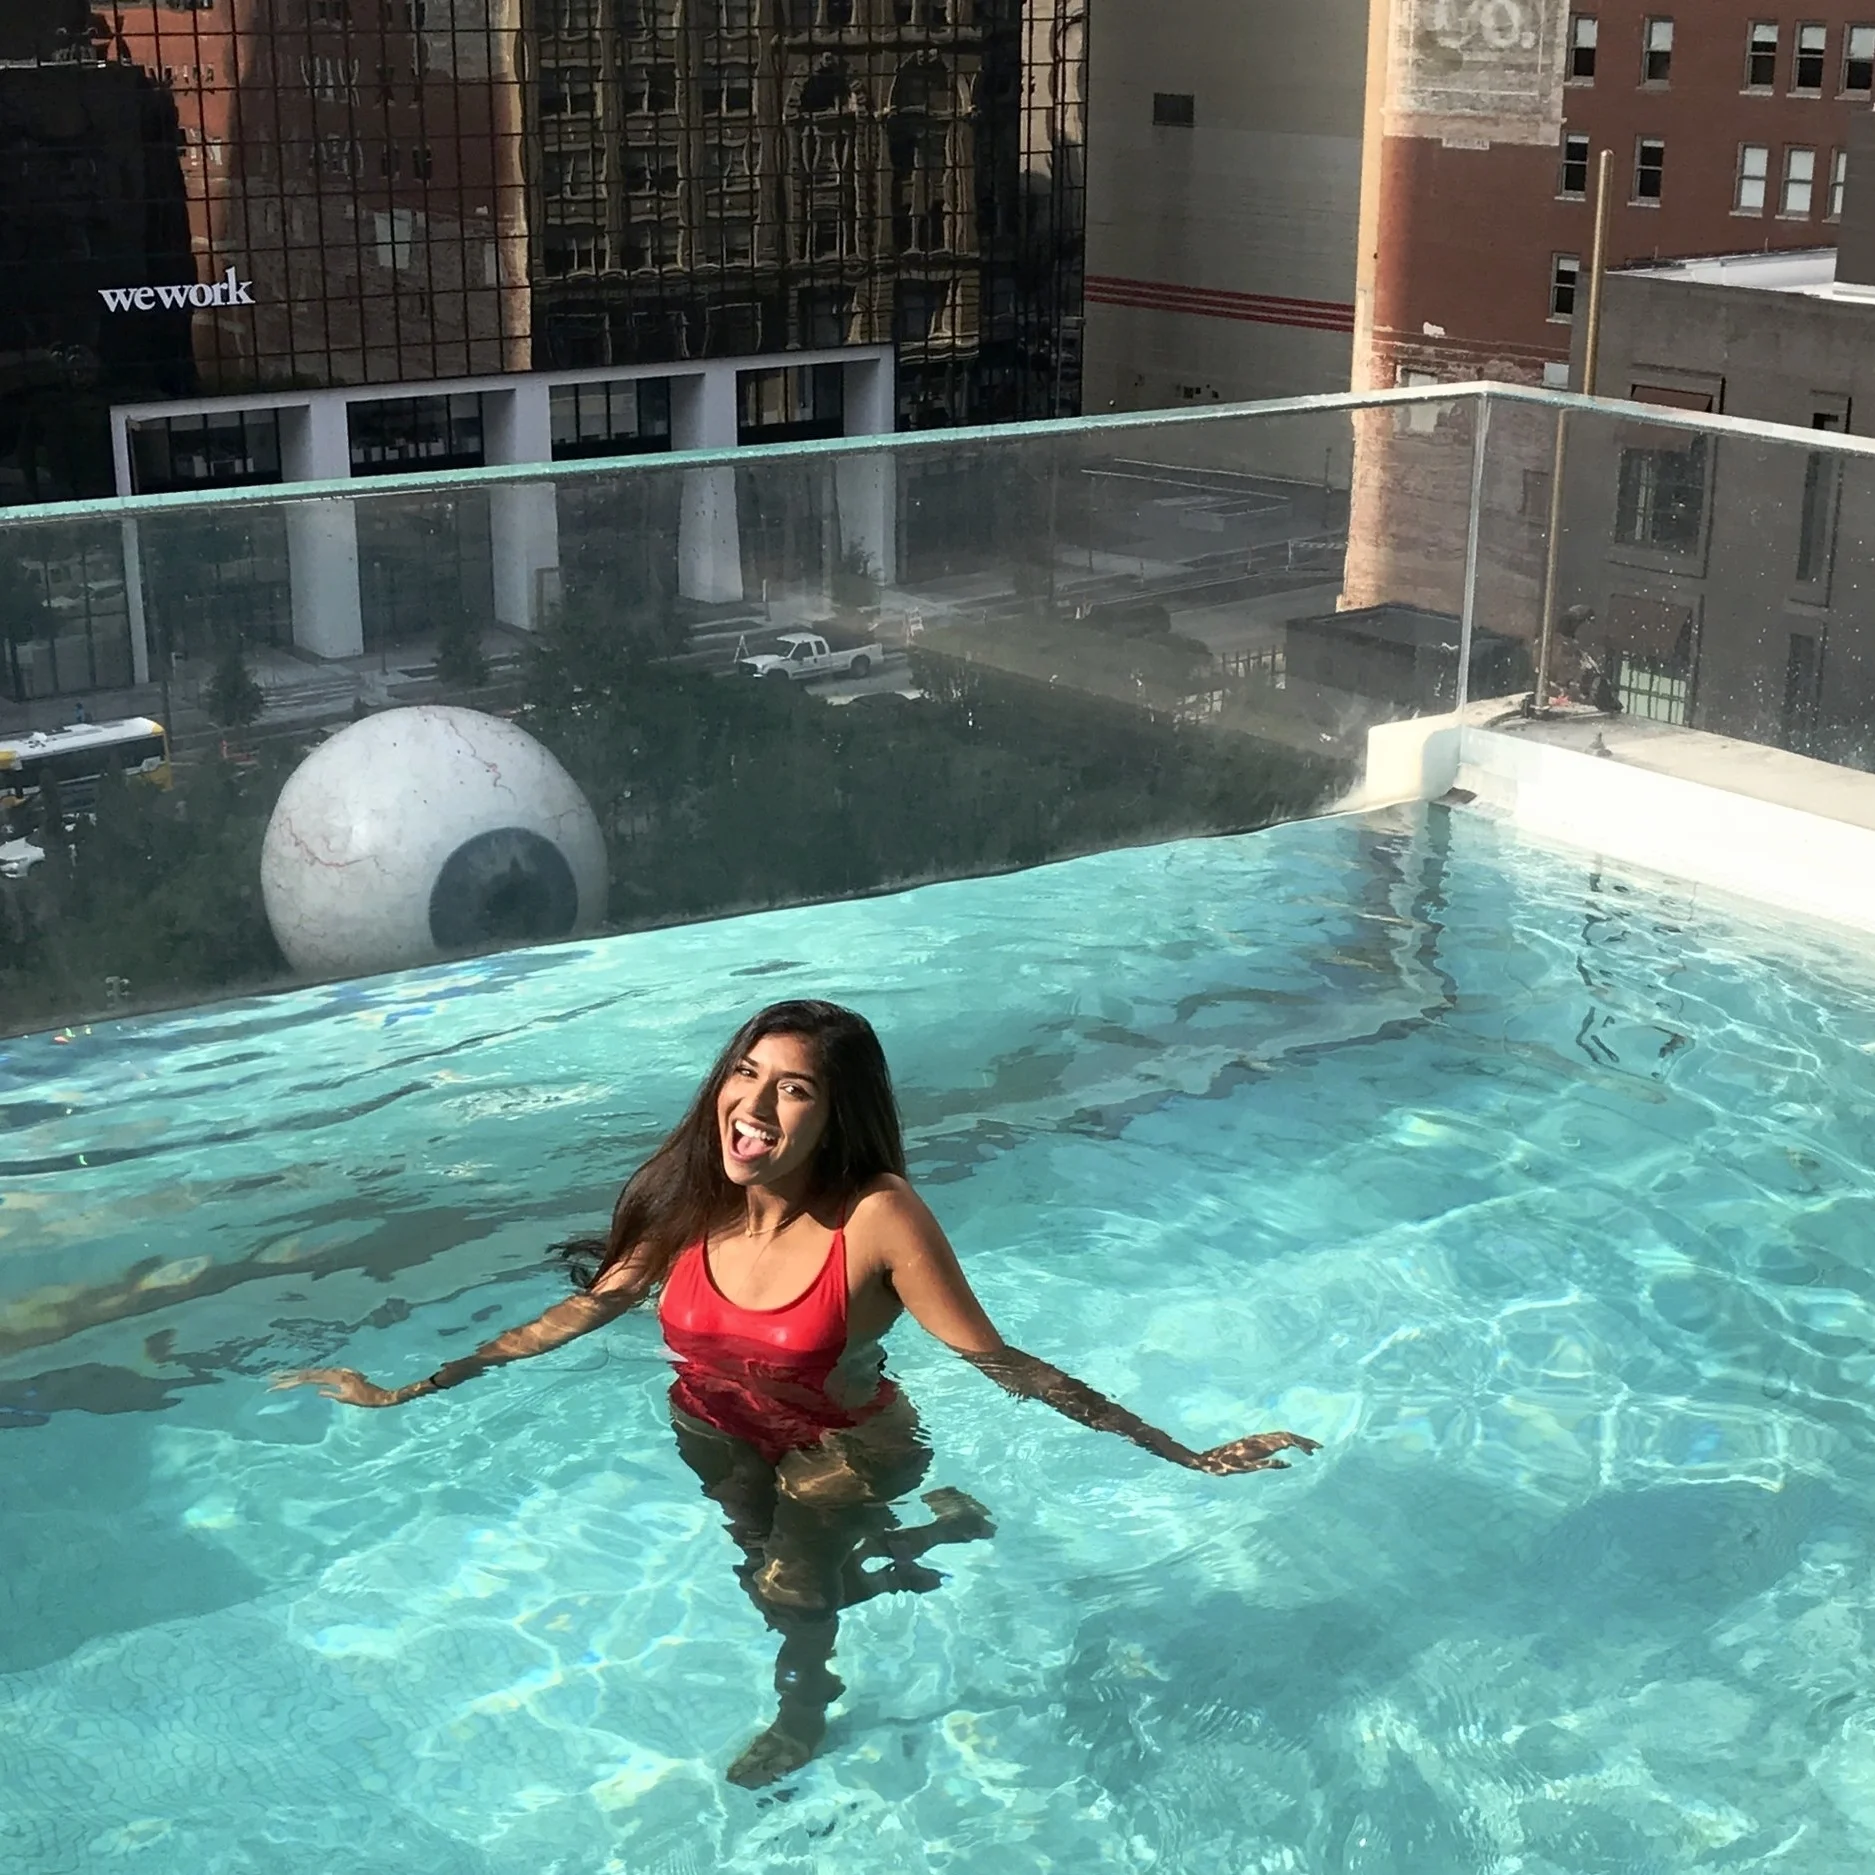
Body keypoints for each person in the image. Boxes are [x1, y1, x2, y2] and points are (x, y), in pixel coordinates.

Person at [275, 1000, 1318, 1786]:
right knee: (762, 1577)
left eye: (795, 1089)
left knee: (791, 1591)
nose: (756, 1105)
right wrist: (411, 1389)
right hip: (713, 1430)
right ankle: (928, 1538)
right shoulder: (691, 1201)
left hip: (847, 1448)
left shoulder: (877, 1217)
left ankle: (805, 1712)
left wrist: (1178, 1451)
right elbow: (583, 1310)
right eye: (747, 1074)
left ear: (835, 1112)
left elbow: (999, 1360)